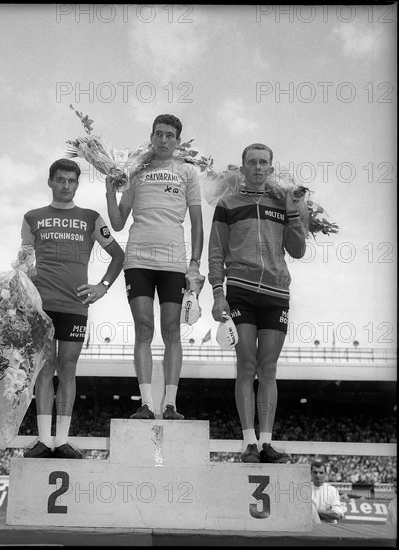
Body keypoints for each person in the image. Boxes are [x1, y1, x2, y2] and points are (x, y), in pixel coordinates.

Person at [208, 143, 308, 463]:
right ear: (242, 168)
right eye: (252, 162)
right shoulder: (227, 203)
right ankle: (248, 442)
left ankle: (266, 442)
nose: (258, 167)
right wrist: (217, 292)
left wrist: (294, 211)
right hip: (240, 288)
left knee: (268, 368)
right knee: (246, 365)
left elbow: (298, 250)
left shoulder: (283, 202)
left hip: (277, 292)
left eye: (263, 162)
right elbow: (216, 252)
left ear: (271, 169)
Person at [20, 159, 124, 459]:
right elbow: (24, 260)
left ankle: (62, 441)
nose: (66, 185)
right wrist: (22, 282)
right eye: (61, 180)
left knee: (67, 368)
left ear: (77, 184)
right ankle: (43, 441)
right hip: (39, 306)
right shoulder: (32, 217)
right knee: (44, 367)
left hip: (75, 306)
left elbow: (118, 255)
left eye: (72, 181)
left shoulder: (91, 218)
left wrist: (102, 286)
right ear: (50, 181)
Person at [105, 114, 203, 420]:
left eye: (169, 135)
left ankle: (170, 404)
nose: (163, 140)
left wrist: (195, 264)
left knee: (172, 329)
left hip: (174, 262)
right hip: (138, 260)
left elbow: (198, 223)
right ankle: (146, 404)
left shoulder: (187, 172)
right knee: (144, 328)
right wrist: (110, 191)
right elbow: (119, 223)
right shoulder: (136, 172)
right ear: (151, 137)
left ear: (177, 141)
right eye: (158, 134)